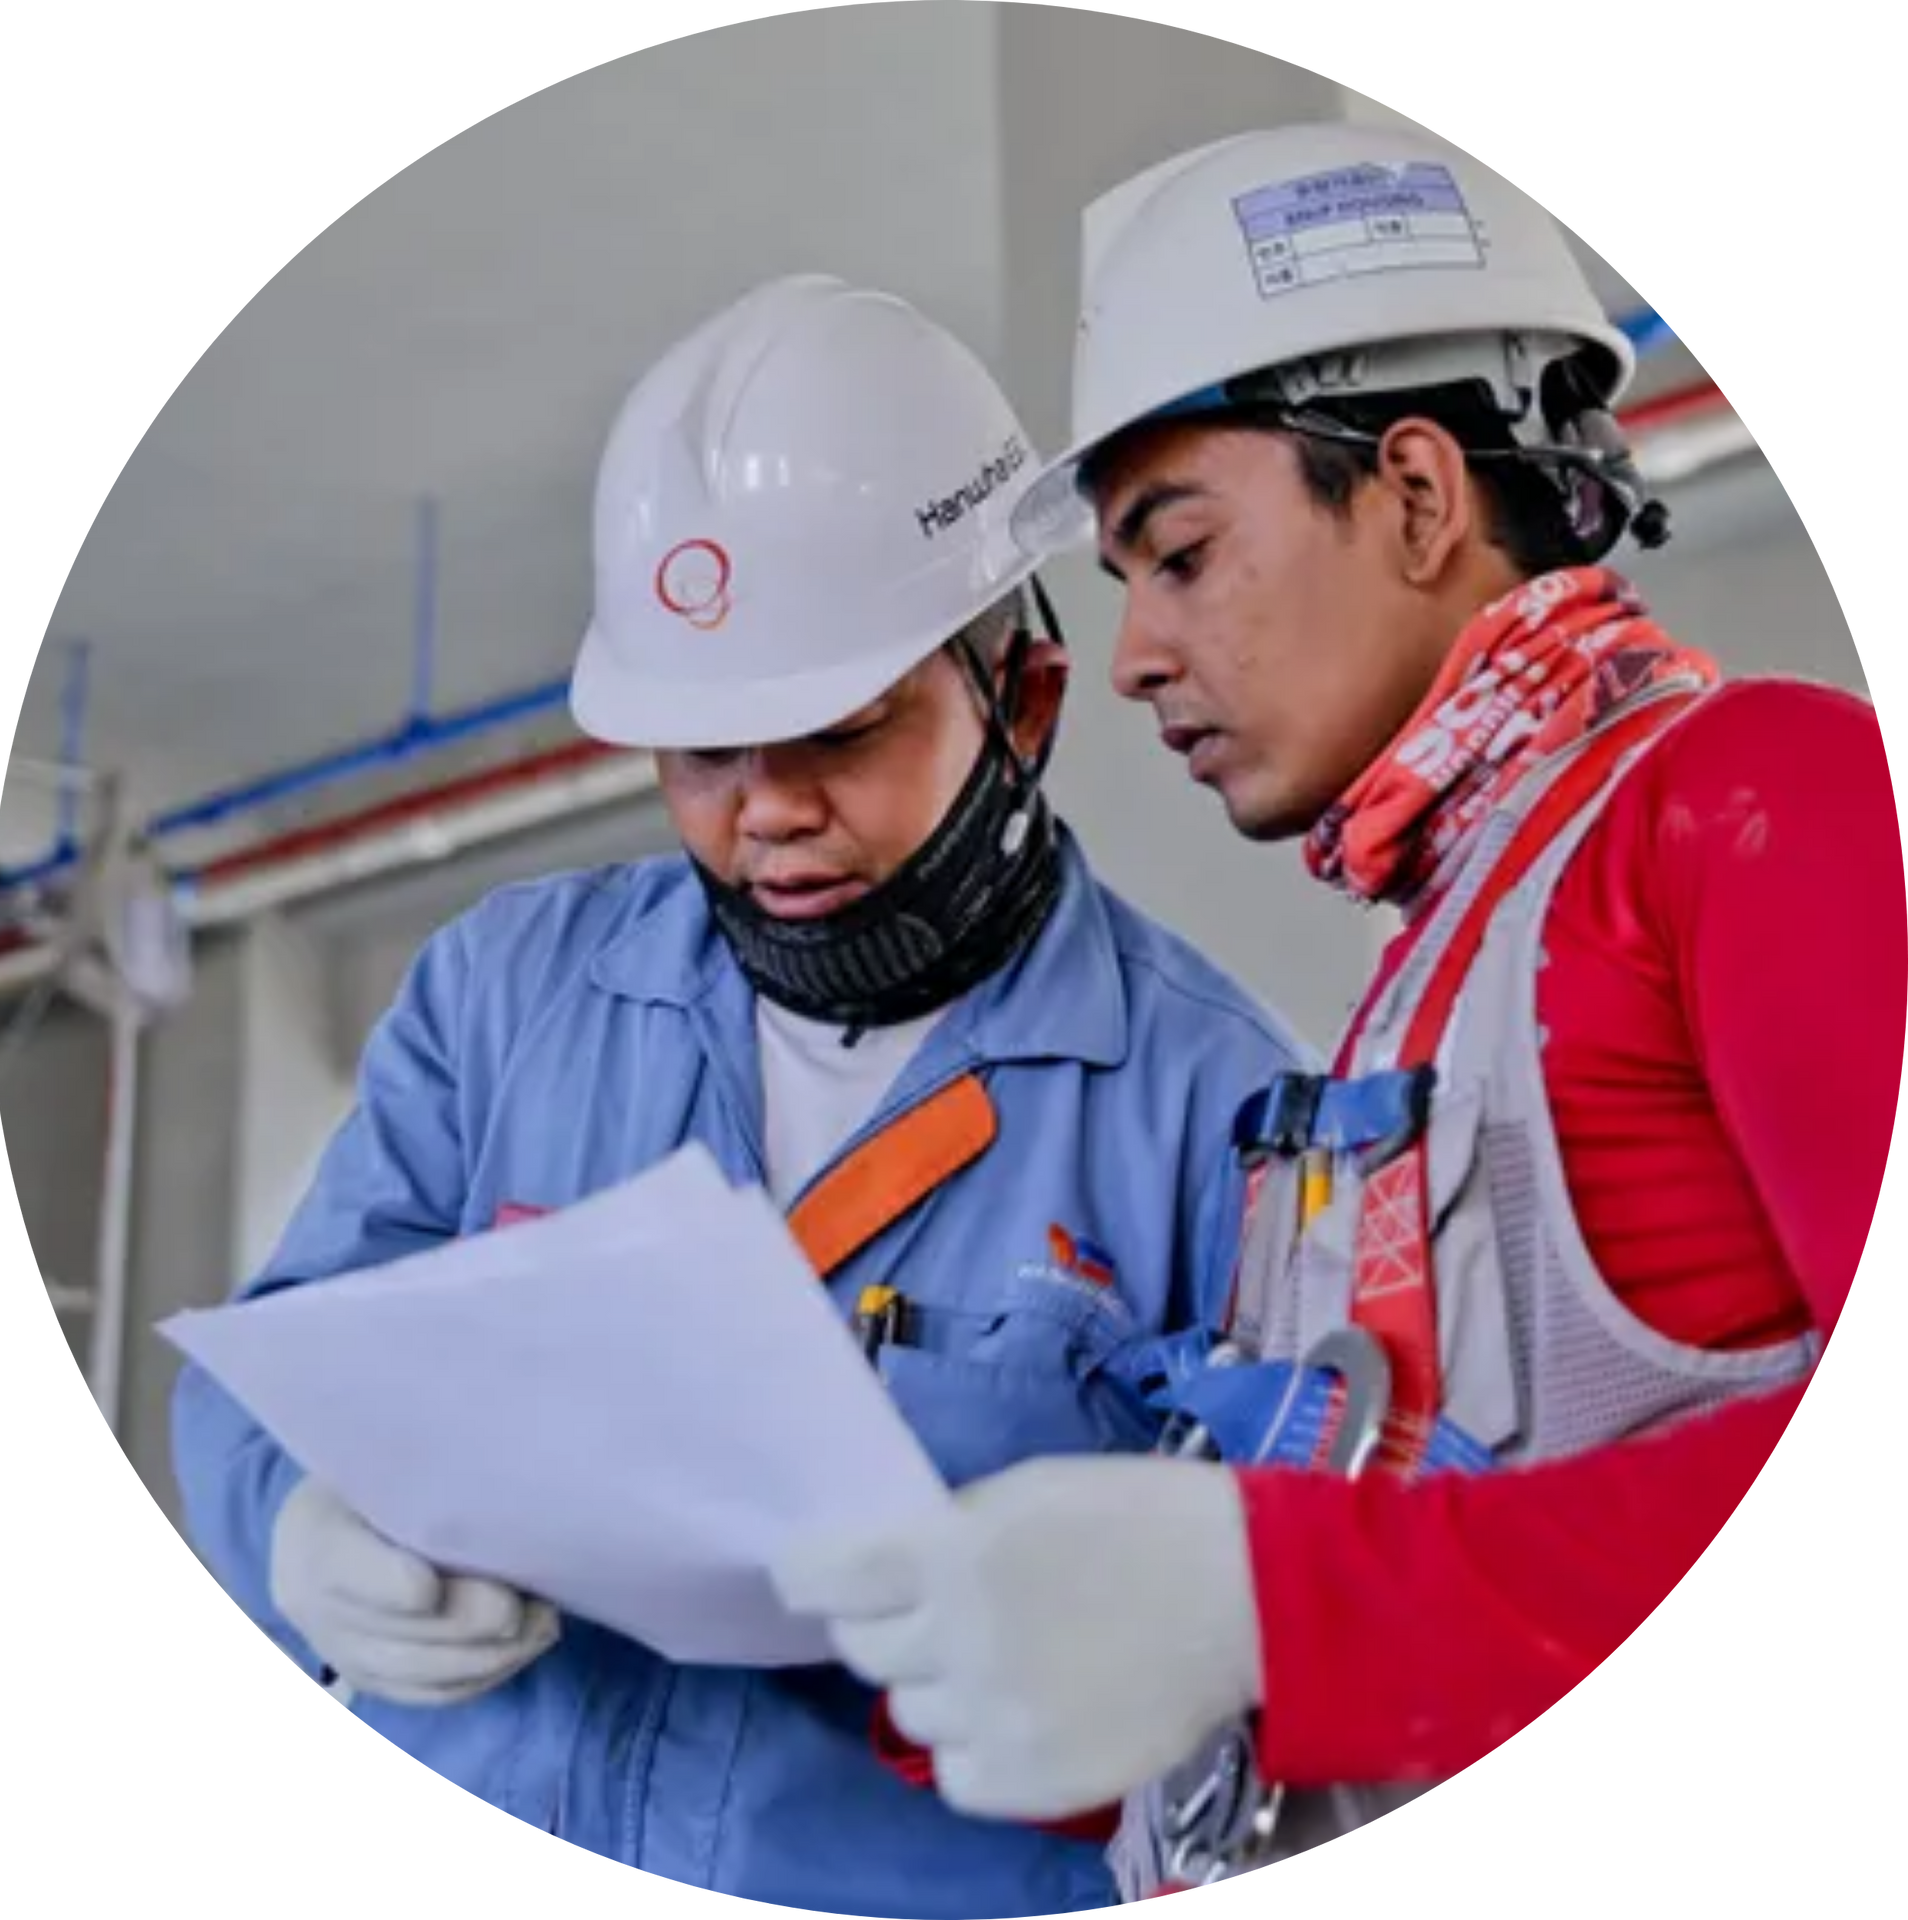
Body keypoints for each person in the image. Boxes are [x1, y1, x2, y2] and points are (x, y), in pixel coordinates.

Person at [770, 124, 1904, 1894]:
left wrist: (1267, 1605)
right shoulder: (1428, 984)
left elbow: (1357, 1614)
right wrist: (1003, 1661)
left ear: (1420, 494)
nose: (1134, 651)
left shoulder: (1756, 802)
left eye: (1179, 552)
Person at [168, 271, 1311, 1916]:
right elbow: (281, 1358)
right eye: (701, 752)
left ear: (1025, 702)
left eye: (837, 734)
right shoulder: (506, 997)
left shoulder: (1220, 1109)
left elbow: (1283, 1640)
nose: (763, 813)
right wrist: (297, 1533)